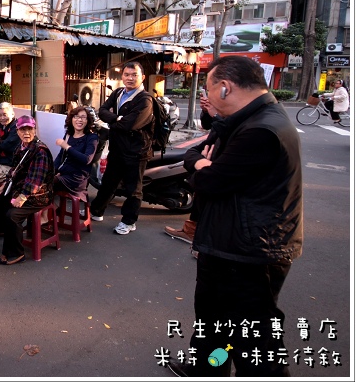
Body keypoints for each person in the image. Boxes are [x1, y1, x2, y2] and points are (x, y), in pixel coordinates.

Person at [169, 55, 303, 377]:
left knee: (253, 338)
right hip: (232, 243)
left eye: (210, 89)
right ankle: (205, 369)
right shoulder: (250, 118)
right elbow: (197, 153)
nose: (208, 97)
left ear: (226, 88)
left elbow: (210, 180)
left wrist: (202, 166)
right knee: (214, 323)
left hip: (247, 253)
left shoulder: (261, 131)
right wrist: (201, 162)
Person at [88, 61, 154, 235]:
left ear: (142, 78)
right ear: (122, 76)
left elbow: (130, 125)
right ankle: (96, 211)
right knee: (108, 183)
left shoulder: (145, 100)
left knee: (133, 189)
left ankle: (128, 221)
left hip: (136, 151)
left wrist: (114, 120)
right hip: (117, 148)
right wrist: (117, 119)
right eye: (127, 75)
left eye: (134, 75)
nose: (130, 78)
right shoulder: (118, 93)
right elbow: (102, 110)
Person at [0, 114, 54, 266]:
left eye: (29, 129)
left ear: (35, 130)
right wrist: (4, 185)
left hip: (38, 194)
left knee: (13, 215)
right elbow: (13, 171)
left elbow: (36, 179)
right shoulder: (21, 147)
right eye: (22, 130)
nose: (26, 133)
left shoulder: (39, 151)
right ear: (17, 131)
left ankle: (16, 253)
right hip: (21, 187)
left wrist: (22, 197)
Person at [163, 91, 221, 245]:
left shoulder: (243, 111)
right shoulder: (221, 104)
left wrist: (216, 116)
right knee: (200, 195)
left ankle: (203, 242)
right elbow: (207, 125)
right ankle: (191, 231)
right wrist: (207, 111)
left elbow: (229, 129)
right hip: (208, 149)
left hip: (215, 157)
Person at [53, 106, 99, 211]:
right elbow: (61, 157)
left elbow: (87, 159)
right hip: (65, 174)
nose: (79, 120)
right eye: (76, 117)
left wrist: (67, 147)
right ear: (71, 119)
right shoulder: (69, 135)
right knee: (41, 181)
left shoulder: (92, 138)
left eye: (83, 117)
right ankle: (53, 210)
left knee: (45, 184)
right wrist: (53, 171)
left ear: (88, 120)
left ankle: (50, 214)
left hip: (77, 179)